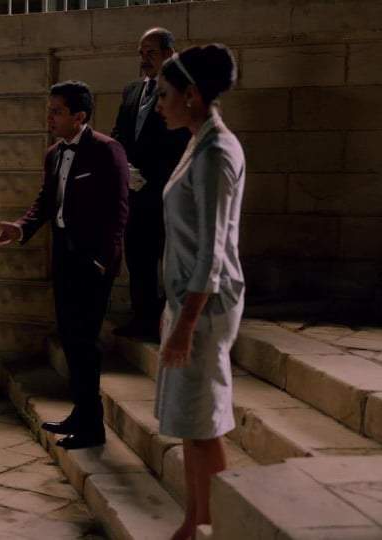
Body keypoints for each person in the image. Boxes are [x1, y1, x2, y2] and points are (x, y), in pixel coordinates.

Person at [0, 81, 129, 450]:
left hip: (94, 264)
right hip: (64, 260)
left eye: (57, 111)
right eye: (49, 110)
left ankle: (92, 427)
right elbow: (45, 202)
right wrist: (21, 228)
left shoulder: (107, 150)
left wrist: (102, 260)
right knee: (70, 340)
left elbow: (119, 209)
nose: (49, 117)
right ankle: (81, 414)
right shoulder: (54, 153)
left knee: (85, 343)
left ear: (79, 116)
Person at [154, 44, 244, 540]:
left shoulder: (216, 153)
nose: (159, 105)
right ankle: (195, 520)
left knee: (204, 421)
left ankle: (218, 524)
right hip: (188, 300)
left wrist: (185, 323)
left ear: (191, 94)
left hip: (205, 306)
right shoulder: (198, 141)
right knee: (192, 420)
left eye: (164, 94)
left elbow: (212, 251)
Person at [111, 27, 191, 342]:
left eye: (151, 53)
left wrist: (156, 178)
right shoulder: (132, 90)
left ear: (169, 54)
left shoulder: (182, 91)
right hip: (133, 191)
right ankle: (142, 318)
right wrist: (125, 169)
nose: (144, 59)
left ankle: (170, 322)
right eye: (141, 53)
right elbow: (119, 133)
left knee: (167, 258)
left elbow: (182, 140)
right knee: (137, 256)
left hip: (166, 190)